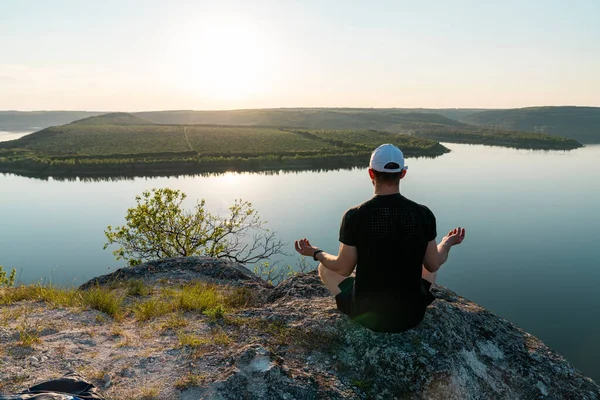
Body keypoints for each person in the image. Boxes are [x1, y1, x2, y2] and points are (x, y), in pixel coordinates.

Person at [294, 143, 466, 332]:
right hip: (412, 315)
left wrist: (315, 252)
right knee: (428, 257)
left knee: (324, 268)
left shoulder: (355, 216)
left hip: (366, 314)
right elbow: (433, 264)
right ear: (402, 174)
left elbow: (343, 268)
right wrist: (446, 243)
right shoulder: (423, 214)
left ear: (371, 173)